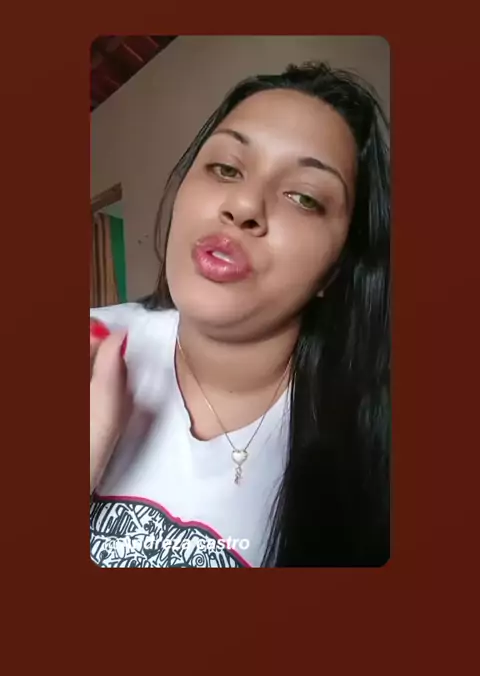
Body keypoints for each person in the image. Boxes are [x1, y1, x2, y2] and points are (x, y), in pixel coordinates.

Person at [90, 60, 390, 568]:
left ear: (336, 270)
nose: (245, 204)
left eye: (304, 197)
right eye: (226, 169)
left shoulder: (371, 445)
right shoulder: (90, 344)